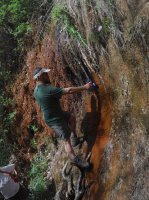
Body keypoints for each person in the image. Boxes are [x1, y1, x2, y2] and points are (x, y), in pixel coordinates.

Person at [33, 66, 93, 168]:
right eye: (45, 74)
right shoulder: (48, 89)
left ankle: (74, 137)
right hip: (54, 120)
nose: (48, 75)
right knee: (66, 140)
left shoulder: (36, 90)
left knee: (72, 118)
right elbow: (68, 90)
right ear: (40, 77)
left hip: (56, 113)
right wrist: (85, 87)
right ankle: (76, 160)